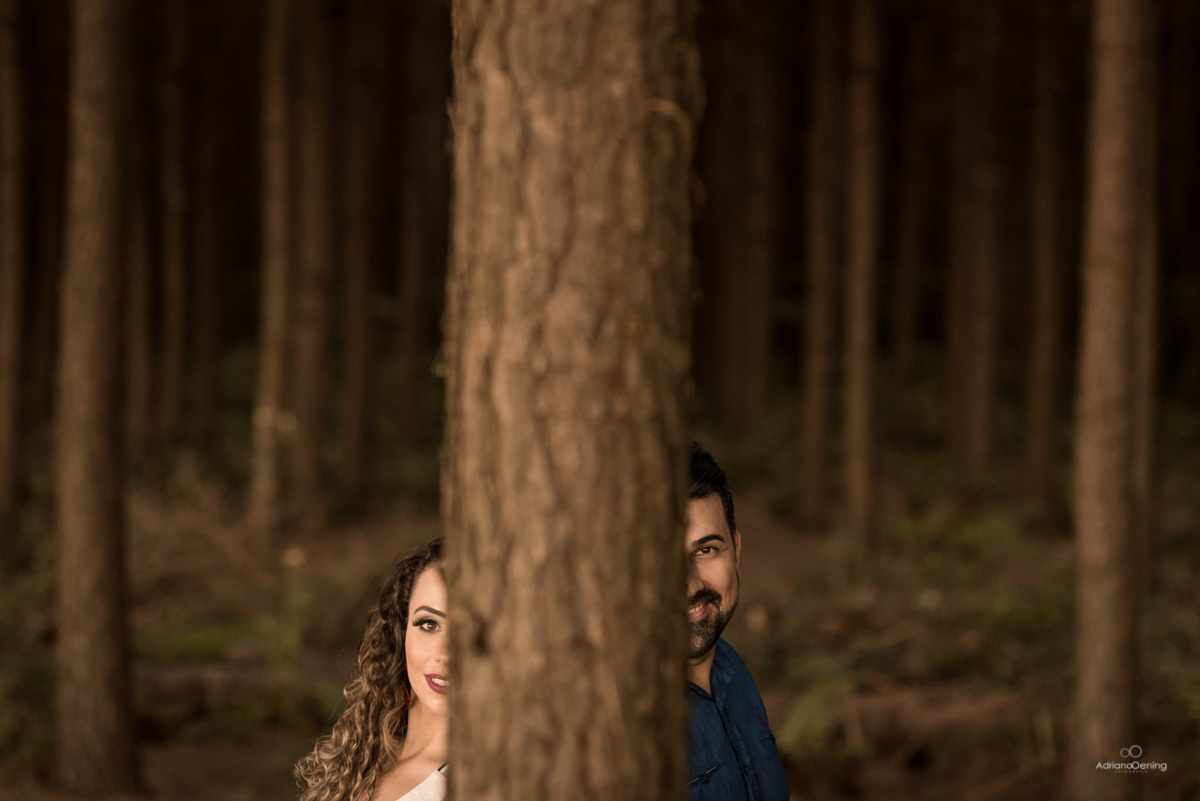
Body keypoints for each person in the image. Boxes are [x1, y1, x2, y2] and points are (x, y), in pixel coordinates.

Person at [296, 539, 449, 801]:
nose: (445, 655)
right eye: (428, 624)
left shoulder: (497, 779)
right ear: (401, 633)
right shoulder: (359, 755)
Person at [685, 442, 789, 800]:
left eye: (706, 550)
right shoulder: (620, 713)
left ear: (737, 551)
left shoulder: (731, 668)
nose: (689, 585)